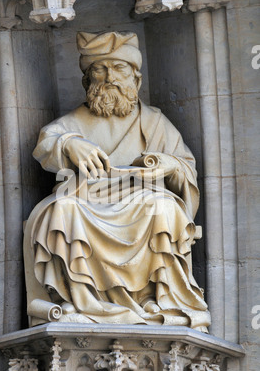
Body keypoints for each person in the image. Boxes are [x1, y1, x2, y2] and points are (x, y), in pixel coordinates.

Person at [24, 31, 211, 331]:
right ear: (87, 80)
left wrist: (168, 164)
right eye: (100, 68)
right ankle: (84, 300)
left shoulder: (154, 122)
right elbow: (46, 143)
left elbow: (186, 167)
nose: (109, 76)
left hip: (141, 201)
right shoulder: (73, 122)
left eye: (119, 68)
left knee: (163, 207)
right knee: (62, 211)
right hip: (88, 201)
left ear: (136, 80)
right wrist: (70, 143)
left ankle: (157, 299)